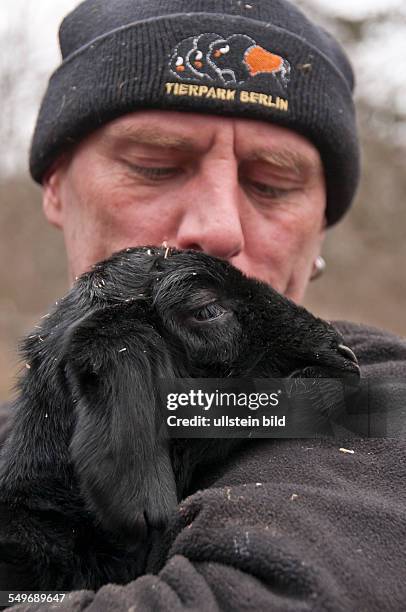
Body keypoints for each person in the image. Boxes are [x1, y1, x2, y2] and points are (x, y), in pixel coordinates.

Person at [2, 0, 406, 610]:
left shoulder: (368, 405)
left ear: (321, 225)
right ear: (56, 187)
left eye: (272, 183)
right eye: (154, 165)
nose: (220, 229)